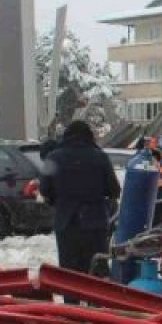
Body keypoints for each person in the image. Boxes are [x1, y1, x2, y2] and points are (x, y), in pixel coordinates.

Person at [38, 121, 120, 283]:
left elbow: (45, 189)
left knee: (69, 273)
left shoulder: (54, 157)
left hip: (66, 223)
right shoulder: (100, 157)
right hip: (95, 223)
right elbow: (114, 190)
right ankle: (95, 305)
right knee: (97, 271)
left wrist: (58, 200)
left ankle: (71, 304)